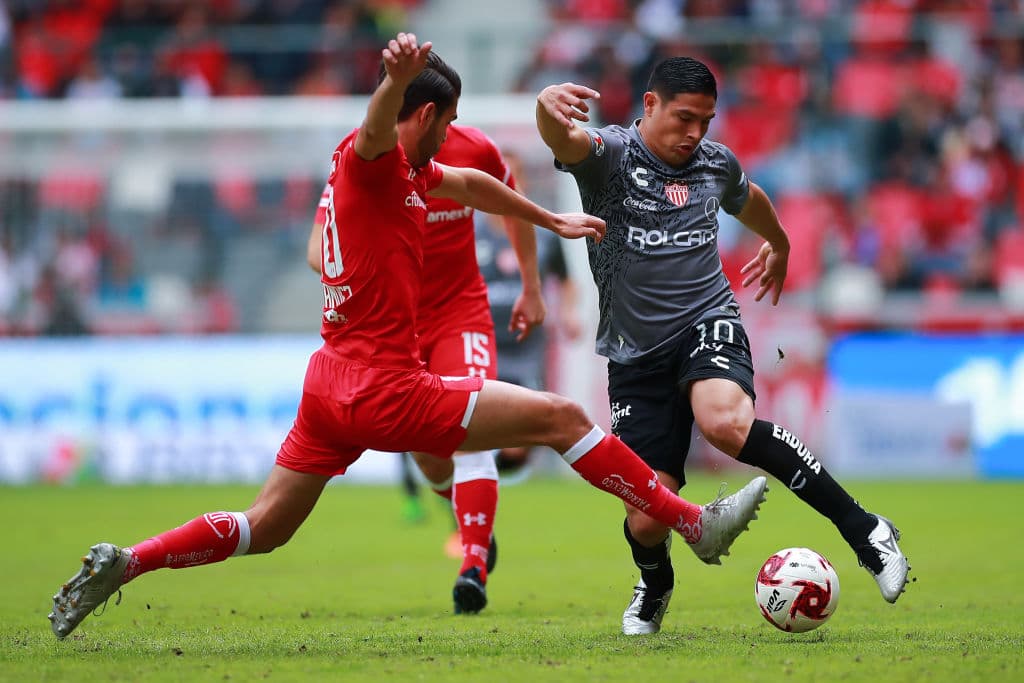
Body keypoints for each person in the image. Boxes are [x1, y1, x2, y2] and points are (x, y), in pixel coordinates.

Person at [48, 34, 768, 640]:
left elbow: (471, 183)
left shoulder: (395, 168)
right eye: (442, 123)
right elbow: (379, 131)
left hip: (328, 382)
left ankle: (129, 560)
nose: (446, 139)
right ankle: (693, 525)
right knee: (561, 417)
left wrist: (552, 225)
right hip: (385, 385)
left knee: (265, 524)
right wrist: (390, 84)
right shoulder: (373, 160)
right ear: (423, 116)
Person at [535, 58, 911, 636]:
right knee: (646, 516)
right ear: (650, 105)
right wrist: (544, 106)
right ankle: (655, 583)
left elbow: (747, 194)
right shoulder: (610, 156)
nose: (695, 133)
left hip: (707, 319)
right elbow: (562, 135)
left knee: (725, 423)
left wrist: (778, 241)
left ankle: (866, 531)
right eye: (684, 118)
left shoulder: (714, 162)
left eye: (705, 122)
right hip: (635, 354)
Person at [305, 119, 546, 614]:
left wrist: (531, 285)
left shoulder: (474, 148)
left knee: (470, 428)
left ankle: (473, 564)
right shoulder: (363, 156)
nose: (449, 123)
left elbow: (509, 204)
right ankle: (468, 515)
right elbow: (318, 248)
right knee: (430, 455)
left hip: (462, 313)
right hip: (396, 326)